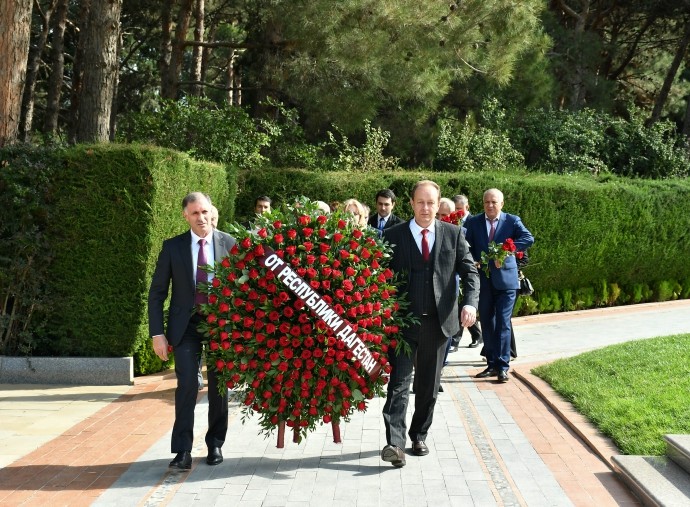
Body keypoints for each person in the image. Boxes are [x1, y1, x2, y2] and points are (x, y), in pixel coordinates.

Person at [381, 180, 480, 467]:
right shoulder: (393, 235)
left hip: (439, 325)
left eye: (431, 203)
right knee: (398, 385)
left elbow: (470, 273)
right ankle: (394, 445)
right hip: (401, 324)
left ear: (438, 205)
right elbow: (377, 275)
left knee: (428, 386)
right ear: (411, 203)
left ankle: (418, 434)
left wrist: (470, 303)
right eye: (420, 202)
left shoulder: (454, 234)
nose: (425, 208)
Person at [148, 192, 236, 470]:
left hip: (220, 325)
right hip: (185, 326)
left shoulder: (229, 244)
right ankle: (183, 450)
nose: (202, 218)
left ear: (212, 212)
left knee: (219, 387)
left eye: (205, 212)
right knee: (187, 384)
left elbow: (243, 290)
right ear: (186, 216)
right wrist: (156, 333)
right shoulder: (173, 247)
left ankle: (215, 444)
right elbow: (157, 293)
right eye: (196, 213)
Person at [464, 188, 534, 383]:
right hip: (483, 280)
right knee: (487, 321)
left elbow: (528, 238)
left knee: (503, 323)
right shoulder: (474, 222)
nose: (490, 205)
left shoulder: (512, 221)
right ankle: (492, 363)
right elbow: (464, 245)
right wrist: (472, 261)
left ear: (501, 204)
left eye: (494, 202)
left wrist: (507, 251)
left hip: (507, 282)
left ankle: (503, 366)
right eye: (487, 202)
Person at [451, 194, 483, 349]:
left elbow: (479, 243)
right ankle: (476, 335)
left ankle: (461, 339)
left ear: (467, 207)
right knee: (461, 306)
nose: (457, 212)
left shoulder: (474, 222)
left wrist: (476, 261)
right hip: (456, 270)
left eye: (460, 209)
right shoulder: (450, 222)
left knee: (466, 304)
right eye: (455, 209)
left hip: (471, 267)